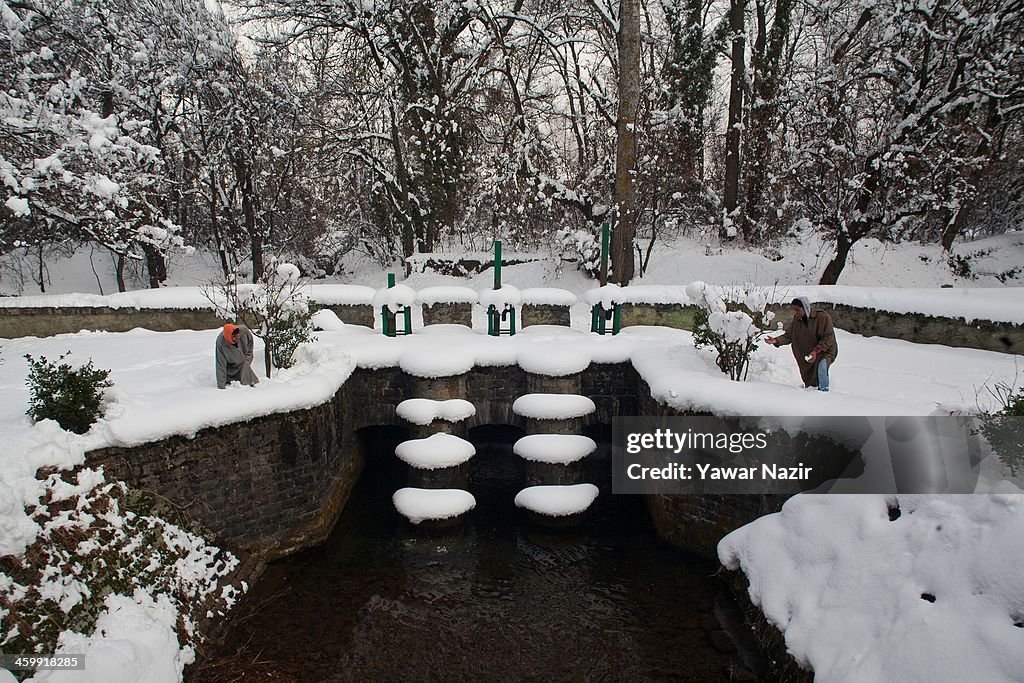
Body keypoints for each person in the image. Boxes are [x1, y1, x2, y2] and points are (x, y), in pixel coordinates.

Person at [765, 297, 837, 391]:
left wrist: (816, 351)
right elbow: (789, 335)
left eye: (798, 310)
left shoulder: (822, 317)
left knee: (822, 367)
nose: (796, 312)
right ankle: (813, 393)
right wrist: (776, 340)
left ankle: (823, 394)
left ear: (805, 308)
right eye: (794, 310)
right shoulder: (797, 320)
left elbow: (828, 337)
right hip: (808, 353)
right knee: (811, 380)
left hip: (825, 350)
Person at [215, 323, 260, 389]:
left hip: (243, 361)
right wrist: (221, 385)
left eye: (238, 335)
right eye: (234, 337)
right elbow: (220, 364)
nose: (237, 338)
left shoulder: (244, 331)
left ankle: (250, 386)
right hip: (230, 367)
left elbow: (250, 346)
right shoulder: (221, 343)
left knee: (245, 366)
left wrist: (247, 359)